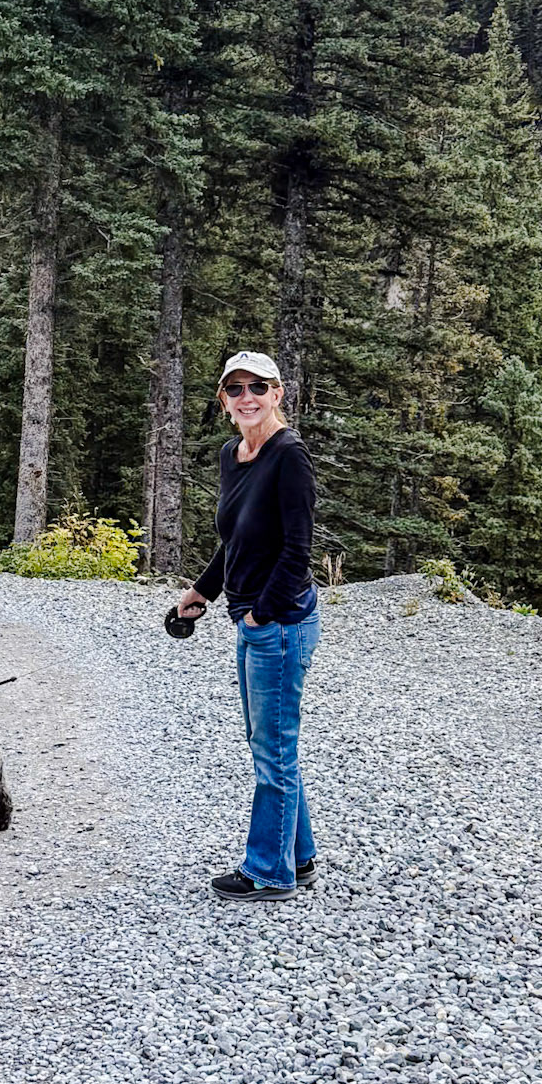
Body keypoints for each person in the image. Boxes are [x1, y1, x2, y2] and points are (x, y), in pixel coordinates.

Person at [175, 350, 320, 903]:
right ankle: (298, 857)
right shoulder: (232, 455)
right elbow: (236, 538)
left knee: (272, 749)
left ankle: (268, 872)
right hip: (253, 621)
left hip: (279, 624)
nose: (247, 398)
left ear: (278, 393)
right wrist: (203, 591)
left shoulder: (290, 456)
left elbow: (297, 552)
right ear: (224, 402)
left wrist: (262, 613)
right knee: (271, 743)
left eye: (258, 387)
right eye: (235, 389)